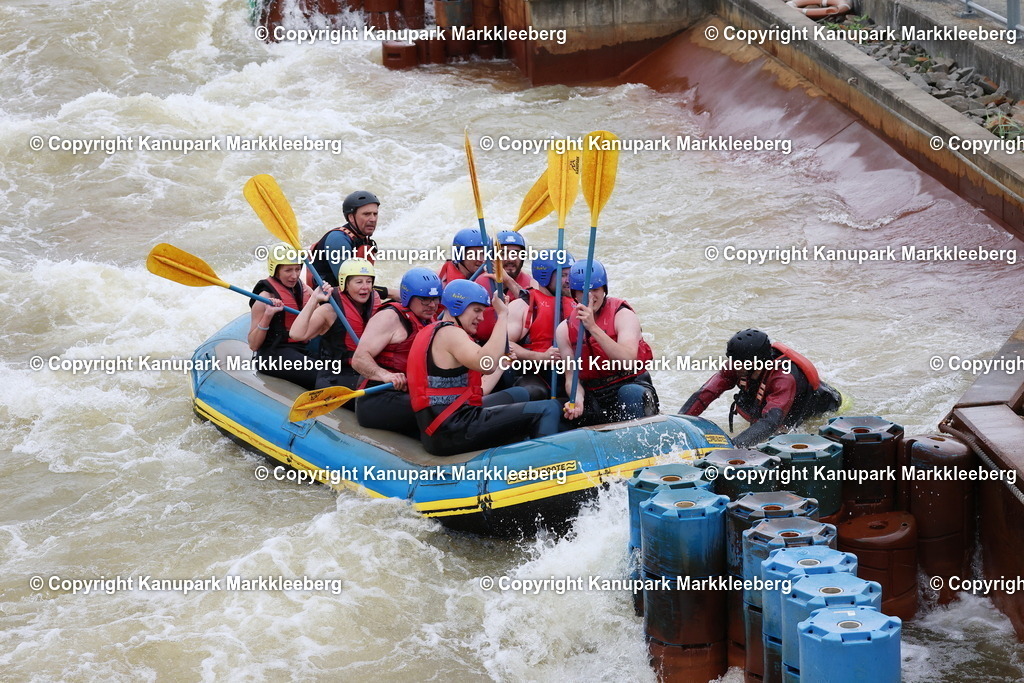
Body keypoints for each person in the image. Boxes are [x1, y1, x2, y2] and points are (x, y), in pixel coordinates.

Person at [407, 279, 562, 457]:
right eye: (476, 310)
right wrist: (503, 315)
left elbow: (480, 390)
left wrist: (503, 362)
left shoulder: (436, 331)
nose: (481, 318)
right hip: (452, 430)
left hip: (443, 427)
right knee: (549, 408)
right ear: (458, 306)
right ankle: (546, 466)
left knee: (521, 394)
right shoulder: (450, 334)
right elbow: (485, 363)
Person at [678, 329, 842, 447]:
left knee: (779, 436)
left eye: (739, 363)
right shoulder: (738, 365)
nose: (733, 366)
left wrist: (733, 447)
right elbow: (706, 393)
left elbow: (771, 422)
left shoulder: (783, 378)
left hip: (818, 407)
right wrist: (679, 422)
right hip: (773, 399)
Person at [557, 259, 659, 426]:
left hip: (631, 384)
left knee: (630, 393)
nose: (590, 296)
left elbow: (627, 360)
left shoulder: (623, 315)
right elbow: (571, 378)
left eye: (595, 289)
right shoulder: (564, 329)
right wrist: (577, 399)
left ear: (604, 289)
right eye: (583, 291)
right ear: (574, 294)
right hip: (595, 393)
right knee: (565, 412)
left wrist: (593, 327)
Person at [351, 267, 442, 437]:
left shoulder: (430, 319)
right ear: (408, 297)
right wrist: (386, 375)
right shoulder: (389, 317)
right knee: (436, 410)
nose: (432, 305)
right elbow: (359, 359)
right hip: (377, 397)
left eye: (435, 299)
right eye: (425, 299)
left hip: (406, 393)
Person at [289, 258, 381, 393]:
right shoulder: (330, 310)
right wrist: (314, 299)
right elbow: (296, 334)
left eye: (368, 281)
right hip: (336, 377)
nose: (365, 287)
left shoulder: (375, 302)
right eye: (359, 282)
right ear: (345, 284)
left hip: (365, 369)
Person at [506, 249, 575, 397]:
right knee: (535, 392)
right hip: (532, 372)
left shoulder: (578, 302)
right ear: (544, 276)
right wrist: (541, 357)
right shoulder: (523, 305)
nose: (569, 280)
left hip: (569, 370)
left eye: (570, 274)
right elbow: (504, 345)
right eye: (563, 275)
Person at [248, 243, 318, 389]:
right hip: (273, 354)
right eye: (288, 270)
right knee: (321, 374)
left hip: (302, 347)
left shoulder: (305, 289)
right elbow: (253, 345)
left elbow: (321, 320)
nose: (294, 275)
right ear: (275, 270)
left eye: (297, 269)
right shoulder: (264, 298)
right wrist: (268, 315)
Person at [308, 190, 380, 287]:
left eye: (375, 214)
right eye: (366, 214)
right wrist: (390, 292)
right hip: (323, 294)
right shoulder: (338, 240)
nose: (373, 219)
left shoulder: (363, 239)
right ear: (351, 217)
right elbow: (349, 286)